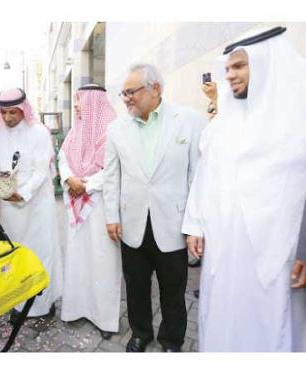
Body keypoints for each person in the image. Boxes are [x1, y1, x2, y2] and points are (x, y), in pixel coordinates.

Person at [182, 26, 306, 351]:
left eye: (239, 66)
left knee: (270, 330)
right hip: (224, 253)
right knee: (224, 323)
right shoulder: (222, 124)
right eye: (227, 68)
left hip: (277, 259)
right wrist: (194, 224)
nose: (230, 76)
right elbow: (205, 175)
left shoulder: (297, 122)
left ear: (265, 64)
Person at [103, 64, 206, 352]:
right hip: (131, 222)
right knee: (136, 285)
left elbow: (197, 177)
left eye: (131, 92)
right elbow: (111, 176)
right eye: (123, 93)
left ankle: (172, 340)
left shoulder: (190, 121)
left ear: (155, 89)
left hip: (173, 222)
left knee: (173, 288)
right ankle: (141, 332)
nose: (126, 98)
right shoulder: (116, 129)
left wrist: (194, 225)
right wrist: (111, 216)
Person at [0, 88, 63, 321]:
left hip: (36, 205)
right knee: (13, 254)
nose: (9, 117)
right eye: (5, 112)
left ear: (24, 109)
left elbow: (41, 170)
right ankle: (19, 303)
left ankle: (42, 305)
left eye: (14, 112)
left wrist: (22, 193)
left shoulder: (39, 132)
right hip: (8, 207)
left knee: (39, 253)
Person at [58, 84, 121, 340]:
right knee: (79, 260)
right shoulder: (75, 131)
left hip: (101, 207)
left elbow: (116, 169)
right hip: (78, 206)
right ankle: (77, 310)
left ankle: (104, 318)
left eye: (79, 101)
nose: (76, 106)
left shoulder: (114, 131)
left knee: (103, 262)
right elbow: (62, 158)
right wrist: (69, 179)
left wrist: (85, 184)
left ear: (94, 102)